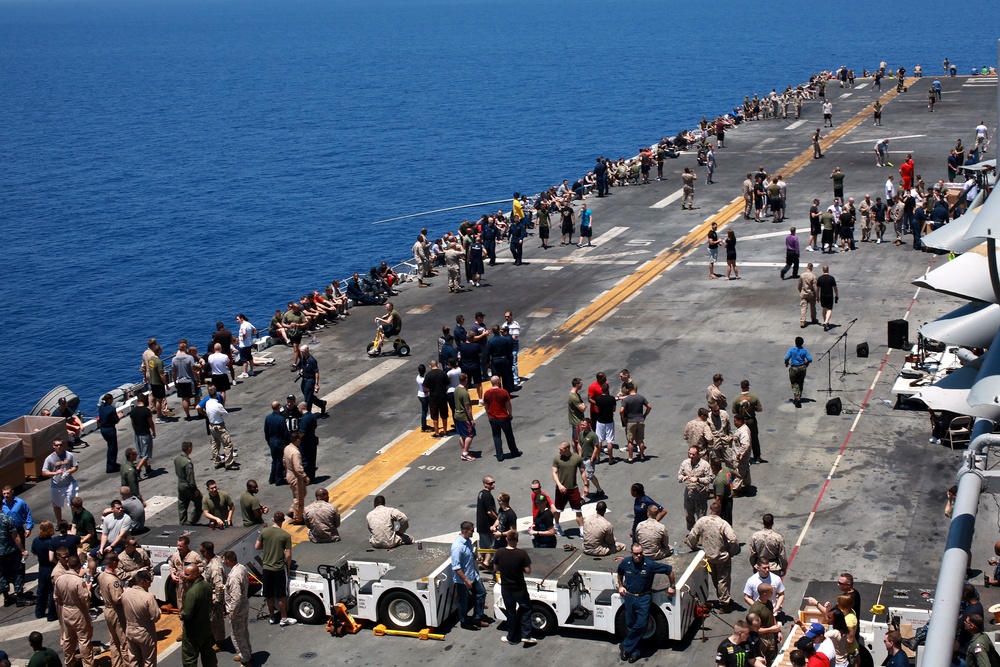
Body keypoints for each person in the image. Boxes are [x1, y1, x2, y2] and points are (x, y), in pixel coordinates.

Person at [617, 542, 675, 663]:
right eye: (636, 554)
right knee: (630, 624)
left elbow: (669, 570)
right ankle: (635, 651)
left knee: (642, 624)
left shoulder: (649, 564)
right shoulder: (625, 563)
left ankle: (626, 645)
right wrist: (620, 586)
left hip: (644, 598)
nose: (638, 556)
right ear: (631, 553)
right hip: (629, 597)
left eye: (640, 553)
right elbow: (620, 572)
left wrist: (672, 586)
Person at [686, 502, 738, 612]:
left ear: (710, 511)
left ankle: (721, 596)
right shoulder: (723, 524)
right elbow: (732, 539)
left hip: (708, 557)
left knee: (715, 578)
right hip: (722, 558)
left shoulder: (702, 521)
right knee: (723, 580)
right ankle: (724, 604)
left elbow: (692, 536)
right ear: (720, 512)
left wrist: (693, 547)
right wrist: (732, 552)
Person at [494, 530, 535, 646]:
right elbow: (528, 571)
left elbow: (496, 568)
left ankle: (512, 638)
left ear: (506, 539)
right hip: (519, 588)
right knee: (526, 609)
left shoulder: (500, 552)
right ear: (517, 540)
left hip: (506, 588)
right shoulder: (522, 554)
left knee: (510, 612)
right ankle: (526, 635)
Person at [254, 512, 295, 627]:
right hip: (278, 568)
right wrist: (288, 567)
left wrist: (266, 546)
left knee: (269, 595)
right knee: (281, 595)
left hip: (266, 568)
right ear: (283, 521)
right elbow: (288, 555)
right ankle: (283, 618)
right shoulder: (285, 536)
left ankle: (272, 616)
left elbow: (257, 546)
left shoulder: (264, 532)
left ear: (272, 519)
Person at [53, 555, 94, 667]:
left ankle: (69, 662)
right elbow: (85, 597)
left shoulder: (59, 579)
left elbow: (56, 598)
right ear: (78, 566)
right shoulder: (78, 581)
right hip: (78, 611)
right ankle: (87, 664)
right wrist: (88, 588)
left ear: (68, 564)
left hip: (66, 610)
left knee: (68, 639)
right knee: (84, 640)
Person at [451, 521, 489, 631]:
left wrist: (476, 557)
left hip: (473, 575)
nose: (473, 532)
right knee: (463, 601)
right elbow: (456, 567)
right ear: (465, 531)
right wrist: (466, 580)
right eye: (472, 530)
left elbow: (470, 553)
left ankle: (477, 617)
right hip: (463, 580)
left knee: (481, 593)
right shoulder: (457, 547)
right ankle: (464, 622)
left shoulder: (467, 541)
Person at [180, 563, 218, 667]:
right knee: (208, 655)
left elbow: (186, 614)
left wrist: (181, 616)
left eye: (187, 575)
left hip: (193, 632)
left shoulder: (192, 592)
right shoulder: (206, 586)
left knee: (190, 659)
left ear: (196, 574)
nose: (185, 577)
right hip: (206, 628)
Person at [97, 552, 131, 667]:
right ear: (113, 562)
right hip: (116, 611)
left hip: (107, 610)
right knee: (124, 641)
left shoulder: (102, 575)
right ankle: (127, 664)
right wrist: (125, 592)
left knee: (114, 641)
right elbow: (117, 599)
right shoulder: (113, 581)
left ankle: (116, 664)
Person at [122, 570, 160, 667]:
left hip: (130, 630)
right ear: (143, 581)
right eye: (149, 582)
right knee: (149, 660)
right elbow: (155, 616)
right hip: (144, 631)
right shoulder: (148, 597)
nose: (150, 585)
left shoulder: (126, 594)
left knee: (133, 659)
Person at [222, 551, 252, 666]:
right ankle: (246, 652)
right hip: (244, 606)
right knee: (243, 631)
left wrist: (232, 612)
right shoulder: (241, 568)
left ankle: (245, 659)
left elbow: (236, 597)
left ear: (228, 560)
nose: (224, 562)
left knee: (237, 634)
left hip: (237, 610)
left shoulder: (234, 576)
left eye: (224, 560)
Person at [551, 441, 585, 537]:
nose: (559, 451)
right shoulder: (557, 459)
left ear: (567, 449)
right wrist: (559, 485)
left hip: (573, 488)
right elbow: (554, 473)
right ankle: (556, 525)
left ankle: (582, 531)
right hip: (561, 489)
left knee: (578, 510)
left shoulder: (577, 458)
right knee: (558, 509)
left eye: (561, 449)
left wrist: (586, 485)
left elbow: (582, 471)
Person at [198, 541, 227, 650]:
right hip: (209, 594)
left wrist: (218, 600)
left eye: (201, 551)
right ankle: (213, 637)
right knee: (211, 619)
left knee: (216, 620)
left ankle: (219, 642)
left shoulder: (215, 567)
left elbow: (218, 585)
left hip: (214, 597)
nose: (201, 553)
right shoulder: (212, 560)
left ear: (205, 552)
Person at [42, 439, 78, 522]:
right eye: (57, 445)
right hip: (56, 485)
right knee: (56, 505)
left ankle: (75, 522)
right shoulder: (49, 459)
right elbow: (44, 472)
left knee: (74, 504)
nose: (59, 447)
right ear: (53, 446)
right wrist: (55, 473)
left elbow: (75, 466)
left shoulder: (69, 455)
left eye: (60, 445)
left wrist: (69, 471)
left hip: (70, 484)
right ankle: (59, 522)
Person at [678, 446, 714, 530]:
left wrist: (698, 479)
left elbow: (710, 478)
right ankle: (692, 534)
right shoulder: (685, 463)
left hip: (700, 495)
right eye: (690, 453)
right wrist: (682, 478)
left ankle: (701, 535)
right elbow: (679, 475)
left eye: (693, 454)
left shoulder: (704, 465)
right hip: (689, 495)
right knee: (688, 516)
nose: (691, 456)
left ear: (698, 454)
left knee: (701, 517)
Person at [169, 535, 203, 613]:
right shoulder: (175, 556)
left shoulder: (194, 556)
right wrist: (172, 575)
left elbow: (201, 568)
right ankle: (183, 624)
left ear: (186, 545)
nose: (178, 547)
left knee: (192, 608)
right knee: (181, 607)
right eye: (177, 545)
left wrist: (190, 574)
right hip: (180, 587)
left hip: (191, 586)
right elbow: (172, 566)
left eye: (181, 546)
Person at [733, 380, 764, 463]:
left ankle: (741, 456)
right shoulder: (754, 397)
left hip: (741, 422)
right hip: (751, 421)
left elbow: (734, 412)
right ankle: (757, 457)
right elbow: (760, 409)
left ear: (741, 387)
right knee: (754, 438)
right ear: (748, 387)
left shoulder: (736, 399)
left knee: (741, 439)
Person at [620, 382, 652, 462]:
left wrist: (623, 418)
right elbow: (649, 406)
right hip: (640, 420)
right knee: (640, 440)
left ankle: (630, 458)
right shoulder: (641, 397)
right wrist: (644, 415)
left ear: (627, 389)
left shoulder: (626, 399)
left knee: (630, 441)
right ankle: (642, 456)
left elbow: (621, 410)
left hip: (631, 421)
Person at [283, 432, 308, 525]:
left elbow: (284, 461)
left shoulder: (287, 448)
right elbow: (298, 468)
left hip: (289, 474)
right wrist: (305, 477)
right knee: (299, 497)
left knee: (303, 493)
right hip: (296, 477)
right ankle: (298, 517)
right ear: (297, 440)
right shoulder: (296, 452)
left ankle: (292, 510)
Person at [174, 442, 202, 525]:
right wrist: (195, 489)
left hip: (180, 483)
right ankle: (192, 521)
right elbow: (190, 478)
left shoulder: (177, 458)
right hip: (187, 486)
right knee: (199, 502)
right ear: (189, 449)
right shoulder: (187, 462)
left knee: (182, 504)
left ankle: (182, 522)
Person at [423, 360, 451, 437]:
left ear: (430, 366)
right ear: (438, 365)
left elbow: (425, 388)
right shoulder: (443, 373)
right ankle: (445, 431)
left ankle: (437, 432)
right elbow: (448, 383)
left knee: (435, 417)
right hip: (443, 397)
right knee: (444, 416)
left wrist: (430, 389)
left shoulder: (428, 375)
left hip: (433, 399)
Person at [476, 477, 498, 572]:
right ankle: (486, 563)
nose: (493, 484)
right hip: (487, 525)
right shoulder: (488, 496)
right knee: (492, 546)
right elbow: (489, 512)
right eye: (490, 483)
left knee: (483, 545)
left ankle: (482, 562)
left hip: (480, 525)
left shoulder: (481, 493)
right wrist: (498, 518)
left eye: (493, 482)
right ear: (485, 484)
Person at [578, 419, 605, 498]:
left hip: (589, 459)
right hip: (583, 458)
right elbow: (579, 445)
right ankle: (600, 490)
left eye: (584, 425)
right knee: (589, 476)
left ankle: (584, 496)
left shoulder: (593, 435)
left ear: (589, 424)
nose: (582, 426)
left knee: (587, 477)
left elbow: (596, 447)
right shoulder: (581, 434)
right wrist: (580, 456)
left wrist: (592, 459)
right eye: (581, 424)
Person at [98, 393, 123, 473]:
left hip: (103, 429)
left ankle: (113, 464)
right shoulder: (111, 409)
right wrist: (119, 416)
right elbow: (115, 420)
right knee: (112, 448)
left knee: (111, 447)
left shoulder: (101, 407)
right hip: (110, 430)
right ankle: (110, 467)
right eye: (112, 399)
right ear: (109, 400)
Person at [784, 336, 812, 408]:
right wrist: (806, 363)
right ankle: (799, 395)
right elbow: (810, 359)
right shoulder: (805, 350)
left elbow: (786, 358)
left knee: (794, 383)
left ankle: (796, 397)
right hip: (802, 368)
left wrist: (786, 363)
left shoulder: (792, 350)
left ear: (795, 342)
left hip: (794, 368)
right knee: (800, 382)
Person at [816, 265, 839, 332]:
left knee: (824, 308)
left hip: (822, 296)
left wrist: (817, 296)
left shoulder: (820, 278)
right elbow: (835, 288)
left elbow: (817, 289)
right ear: (828, 270)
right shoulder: (831, 278)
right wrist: (836, 295)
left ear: (823, 270)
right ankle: (826, 322)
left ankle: (825, 321)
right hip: (829, 296)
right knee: (829, 309)